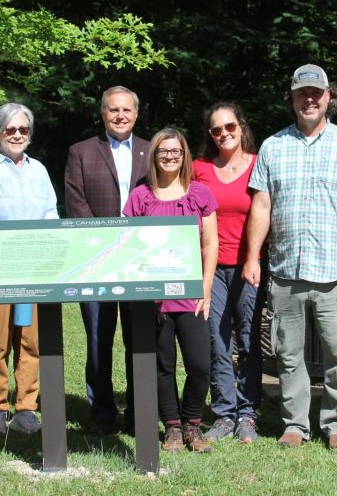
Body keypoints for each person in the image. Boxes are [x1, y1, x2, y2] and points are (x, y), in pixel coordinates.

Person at [242, 64, 337, 451]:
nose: (310, 99)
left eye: (317, 93)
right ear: (293, 98)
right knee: (288, 354)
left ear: (329, 97)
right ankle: (295, 425)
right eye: (303, 93)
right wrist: (253, 257)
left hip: (336, 271)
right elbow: (262, 206)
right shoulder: (273, 146)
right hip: (286, 271)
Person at [0, 103, 59, 436]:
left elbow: (51, 213)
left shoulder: (39, 170)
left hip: (33, 269)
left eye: (23, 129)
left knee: (30, 341)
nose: (17, 134)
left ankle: (26, 408)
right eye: (10, 129)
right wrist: (16, 237)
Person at [124, 128, 218, 453]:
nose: (169, 156)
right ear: (154, 156)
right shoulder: (140, 197)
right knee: (162, 365)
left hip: (191, 296)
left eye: (175, 151)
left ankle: (193, 422)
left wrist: (205, 290)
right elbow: (130, 245)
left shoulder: (200, 194)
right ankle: (173, 428)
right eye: (163, 151)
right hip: (154, 299)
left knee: (199, 364)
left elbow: (211, 243)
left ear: (184, 156)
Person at [63, 86, 150, 434]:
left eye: (126, 110)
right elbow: (76, 204)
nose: (120, 116)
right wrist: (106, 245)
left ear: (136, 114)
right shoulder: (81, 152)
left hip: (140, 261)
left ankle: (138, 412)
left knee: (138, 338)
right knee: (98, 339)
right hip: (95, 260)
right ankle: (101, 412)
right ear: (103, 114)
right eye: (113, 110)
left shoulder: (150, 150)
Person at [193, 103, 263, 444]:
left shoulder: (258, 163)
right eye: (217, 129)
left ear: (241, 126)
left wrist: (255, 258)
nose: (224, 134)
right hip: (211, 267)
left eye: (230, 126)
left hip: (248, 264)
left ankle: (248, 414)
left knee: (249, 339)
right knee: (216, 339)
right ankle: (224, 412)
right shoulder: (199, 169)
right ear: (210, 134)